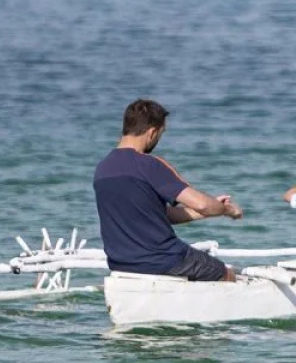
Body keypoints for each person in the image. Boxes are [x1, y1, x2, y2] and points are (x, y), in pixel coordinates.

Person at [93, 99, 243, 282]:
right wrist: (227, 210)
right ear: (152, 132)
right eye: (161, 133)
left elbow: (155, 214)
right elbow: (203, 204)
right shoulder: (149, 164)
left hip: (121, 263)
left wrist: (209, 211)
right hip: (164, 259)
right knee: (226, 274)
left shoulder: (102, 169)